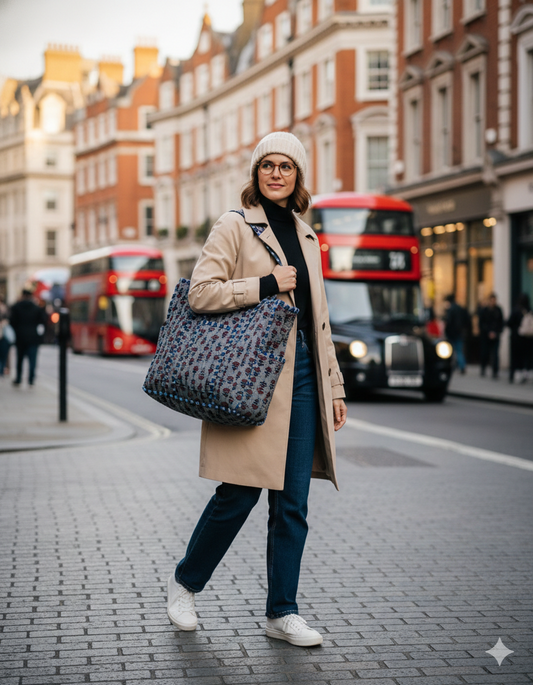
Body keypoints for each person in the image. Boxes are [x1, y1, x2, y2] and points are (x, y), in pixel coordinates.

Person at [166, 132, 347, 647]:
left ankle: (282, 612)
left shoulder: (308, 236)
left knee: (292, 502)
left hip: (306, 378)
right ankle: (184, 584)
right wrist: (267, 283)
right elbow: (200, 294)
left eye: (286, 166)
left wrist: (334, 387)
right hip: (253, 378)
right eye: (267, 165)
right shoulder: (234, 225)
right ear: (255, 173)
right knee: (239, 494)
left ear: (299, 176)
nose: (275, 174)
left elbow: (320, 322)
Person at [9, 289, 47, 386]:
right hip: (33, 337)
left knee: (20, 359)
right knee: (32, 360)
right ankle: (31, 379)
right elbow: (43, 321)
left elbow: (12, 322)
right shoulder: (36, 308)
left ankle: (18, 378)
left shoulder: (16, 307)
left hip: (20, 337)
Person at [507, 293, 533, 383]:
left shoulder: (516, 310)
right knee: (527, 357)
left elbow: (509, 323)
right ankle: (525, 373)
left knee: (515, 357)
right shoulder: (529, 310)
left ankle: (514, 374)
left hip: (516, 338)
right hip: (528, 338)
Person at [478, 292, 504, 378]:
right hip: (486, 336)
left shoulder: (498, 310)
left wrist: (496, 332)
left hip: (495, 335)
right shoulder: (484, 310)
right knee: (485, 353)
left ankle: (495, 371)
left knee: (495, 354)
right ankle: (483, 368)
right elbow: (481, 323)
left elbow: (501, 323)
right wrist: (488, 332)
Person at [443, 294, 470, 374]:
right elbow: (467, 321)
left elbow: (449, 322)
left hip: (452, 333)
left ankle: (455, 365)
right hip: (459, 333)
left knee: (452, 351)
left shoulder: (451, 309)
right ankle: (461, 365)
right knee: (459, 351)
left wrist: (446, 331)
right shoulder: (460, 309)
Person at [0, 294, 13, 377]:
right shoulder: (6, 308)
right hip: (4, 334)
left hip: (4, 334)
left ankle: (2, 369)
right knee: (4, 354)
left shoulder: (6, 309)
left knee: (4, 353)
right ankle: (3, 369)